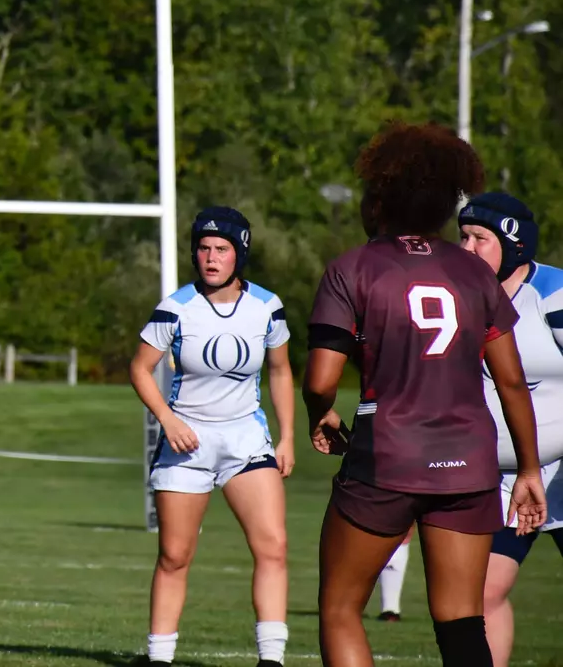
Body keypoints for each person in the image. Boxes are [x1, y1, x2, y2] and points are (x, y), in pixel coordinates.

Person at [303, 122, 548, 667]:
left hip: (386, 458)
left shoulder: (353, 268)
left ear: (382, 198)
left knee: (341, 610)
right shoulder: (474, 272)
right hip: (469, 465)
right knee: (462, 622)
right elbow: (510, 382)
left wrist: (320, 413)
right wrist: (528, 470)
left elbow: (321, 380)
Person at [129, 207, 295, 667]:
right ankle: (158, 658)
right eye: (203, 248)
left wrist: (287, 439)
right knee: (175, 555)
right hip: (188, 444)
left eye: (221, 249)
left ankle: (271, 659)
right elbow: (140, 369)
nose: (211, 257)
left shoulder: (267, 306)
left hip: (246, 441)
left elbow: (281, 371)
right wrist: (168, 419)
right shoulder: (176, 307)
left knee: (273, 546)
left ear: (239, 254)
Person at [457, 193, 563, 667]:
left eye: (481, 238)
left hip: (559, 474)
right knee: (482, 594)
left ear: (515, 245)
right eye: (462, 237)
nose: (467, 248)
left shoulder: (555, 294)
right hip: (501, 479)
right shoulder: (457, 298)